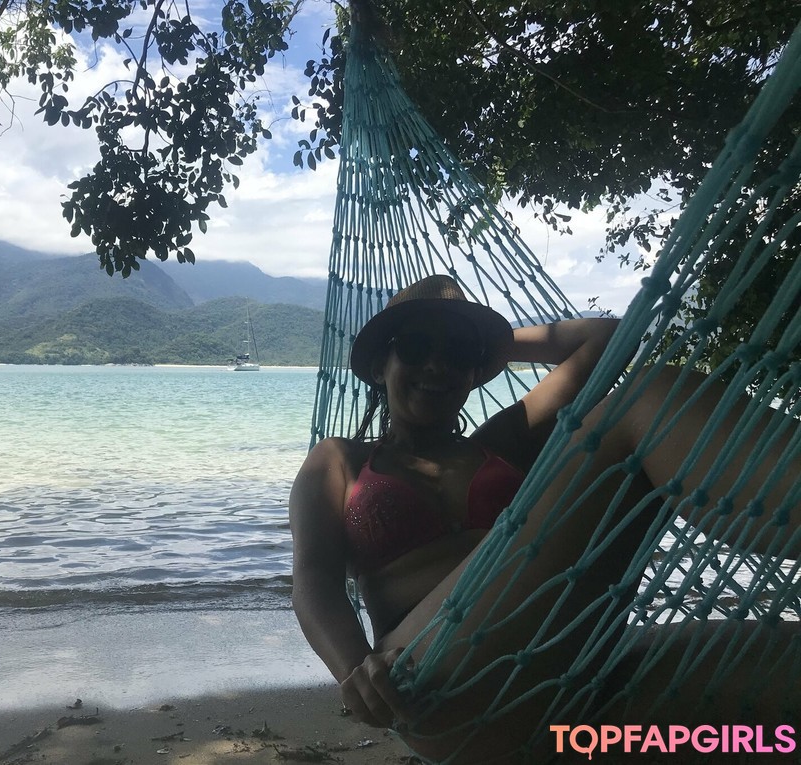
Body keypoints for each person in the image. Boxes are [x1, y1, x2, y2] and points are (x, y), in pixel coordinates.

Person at [289, 275, 800, 763]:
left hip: (571, 680)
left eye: (458, 352)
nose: (438, 365)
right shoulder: (341, 461)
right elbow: (314, 578)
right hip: (436, 683)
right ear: (379, 364)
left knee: (779, 670)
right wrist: (354, 669)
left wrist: (491, 342)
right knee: (645, 397)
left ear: (475, 370)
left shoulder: (502, 441)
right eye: (417, 346)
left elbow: (610, 337)